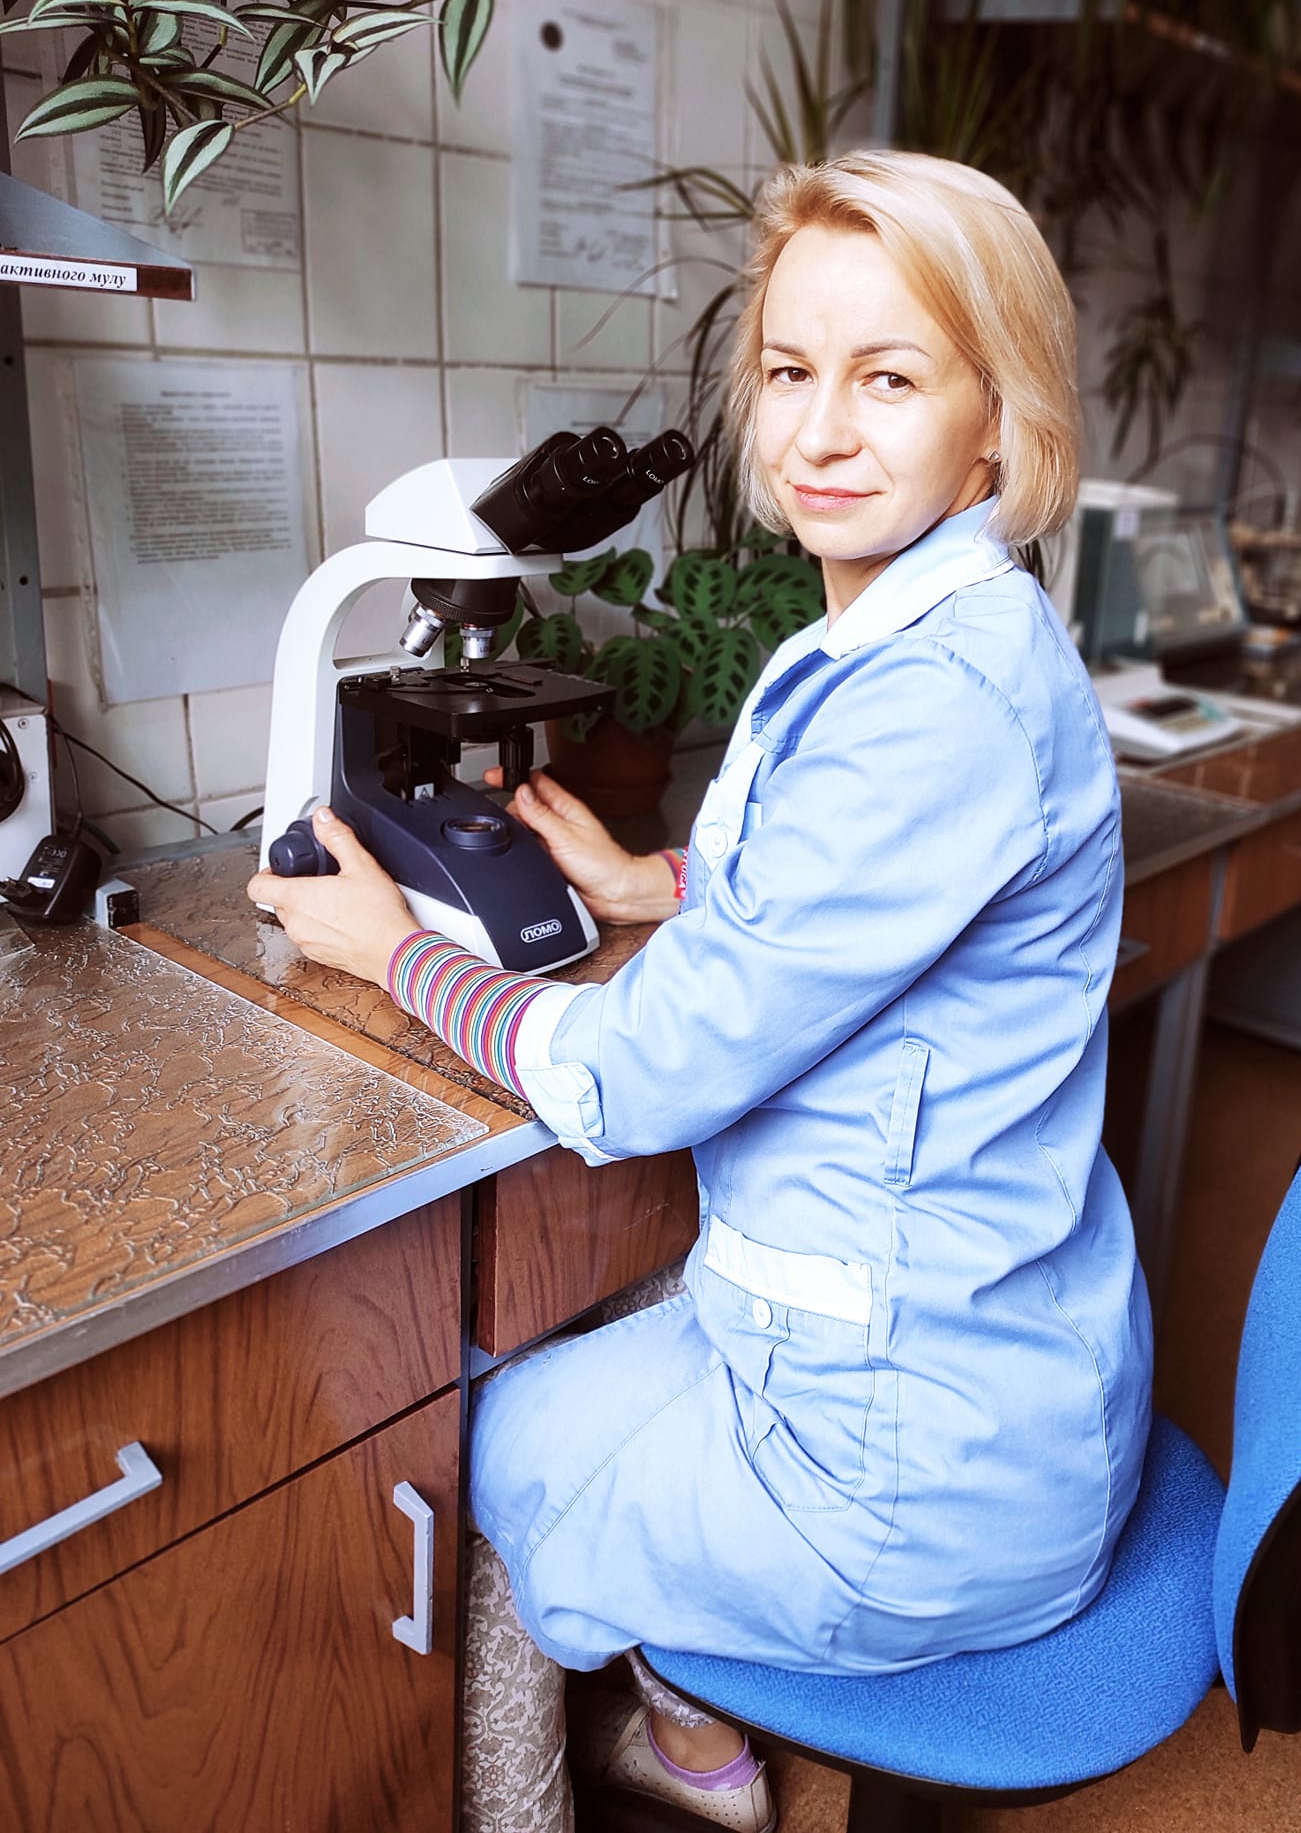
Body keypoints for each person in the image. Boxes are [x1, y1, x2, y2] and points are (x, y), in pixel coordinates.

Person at [248, 149, 1153, 1832]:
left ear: (997, 417)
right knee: (587, 1357)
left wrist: (391, 951)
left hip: (914, 1475)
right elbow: (870, 900)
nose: (821, 433)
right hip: (993, 1356)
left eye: (891, 379)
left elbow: (633, 1080)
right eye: (791, 372)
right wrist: (646, 887)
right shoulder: (944, 630)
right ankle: (696, 1734)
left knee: (480, 1447)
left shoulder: (932, 699)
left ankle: (647, 1762)